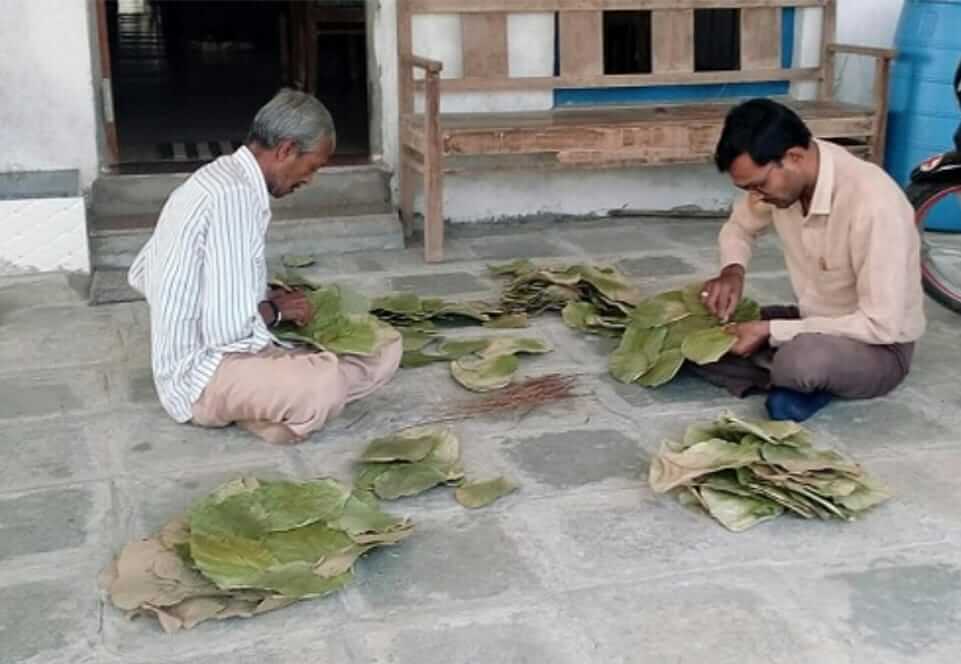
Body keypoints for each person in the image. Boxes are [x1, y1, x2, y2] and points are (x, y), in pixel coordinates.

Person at [128, 89, 402, 445]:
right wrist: (273, 311)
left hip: (218, 359)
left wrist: (259, 297)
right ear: (286, 150)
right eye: (313, 167)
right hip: (201, 377)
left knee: (383, 348)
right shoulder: (235, 198)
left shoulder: (218, 177)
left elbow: (140, 273)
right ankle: (261, 411)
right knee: (325, 384)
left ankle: (266, 403)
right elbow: (227, 332)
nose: (310, 180)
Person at [695, 98, 925, 422]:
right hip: (812, 319)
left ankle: (791, 374)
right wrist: (732, 270)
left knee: (800, 360)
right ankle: (789, 380)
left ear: (794, 157)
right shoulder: (784, 184)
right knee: (700, 327)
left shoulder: (873, 203)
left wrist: (770, 330)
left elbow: (880, 326)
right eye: (749, 189)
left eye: (759, 185)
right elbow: (738, 227)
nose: (756, 197)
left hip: (878, 347)